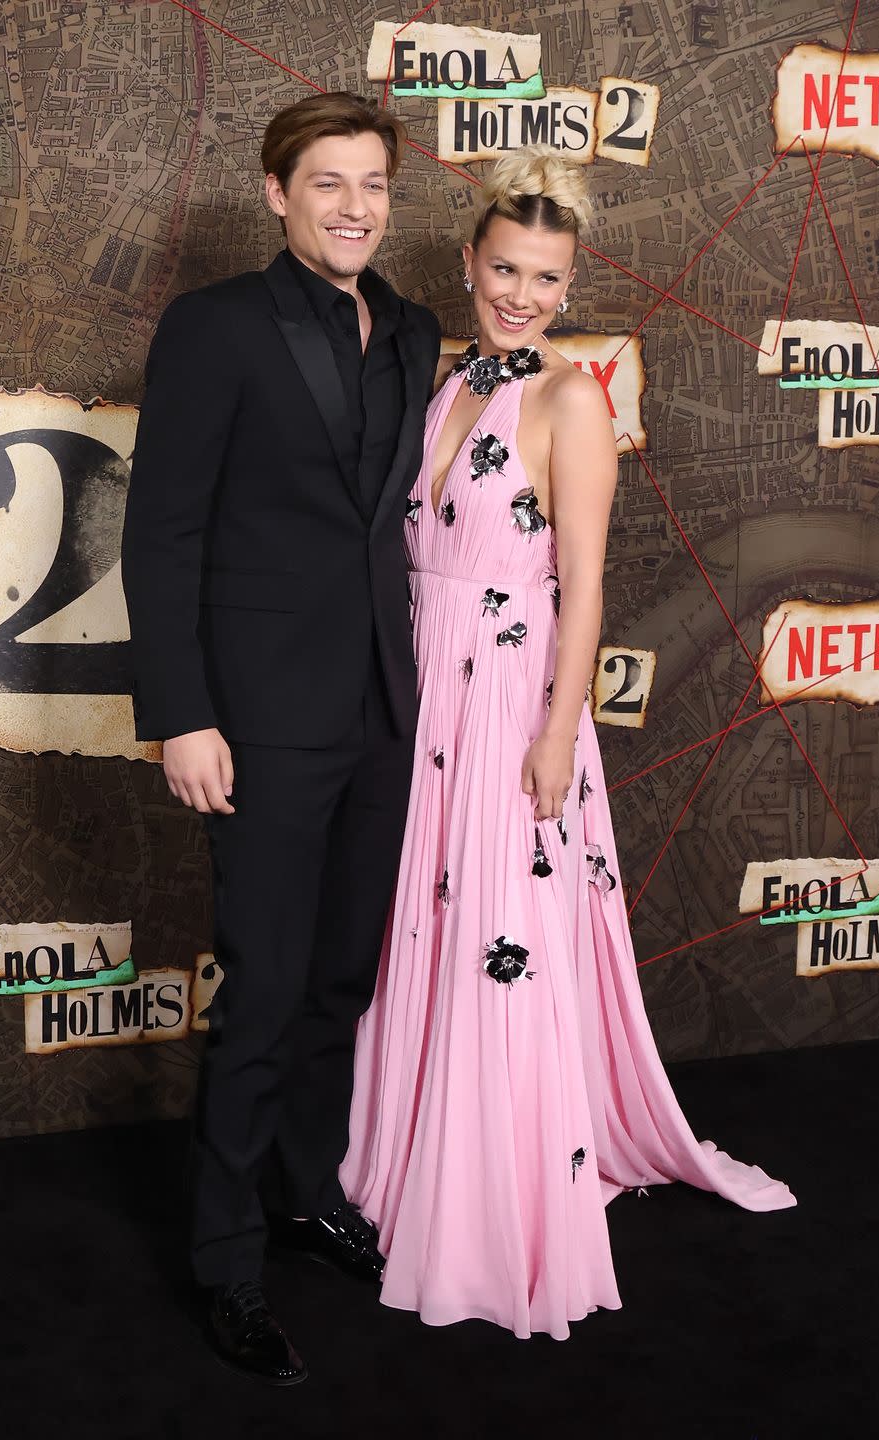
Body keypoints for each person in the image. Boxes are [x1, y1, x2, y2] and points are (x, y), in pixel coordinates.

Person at [340, 144, 796, 1342]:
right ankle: (409, 1165)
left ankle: (495, 1205)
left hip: (508, 701)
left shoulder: (570, 398)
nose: (524, 294)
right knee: (425, 924)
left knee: (500, 932)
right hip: (424, 695)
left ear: (569, 279)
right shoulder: (445, 385)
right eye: (506, 269)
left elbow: (585, 590)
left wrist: (558, 729)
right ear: (470, 260)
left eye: (547, 277)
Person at [120, 94, 441, 1384]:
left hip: (382, 712)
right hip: (254, 723)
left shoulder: (416, 330)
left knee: (337, 986)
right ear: (276, 194)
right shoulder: (211, 328)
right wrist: (182, 713)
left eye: (372, 184)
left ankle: (307, 1197)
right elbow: (162, 532)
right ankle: (227, 1264)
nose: (354, 206)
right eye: (327, 184)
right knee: (258, 994)